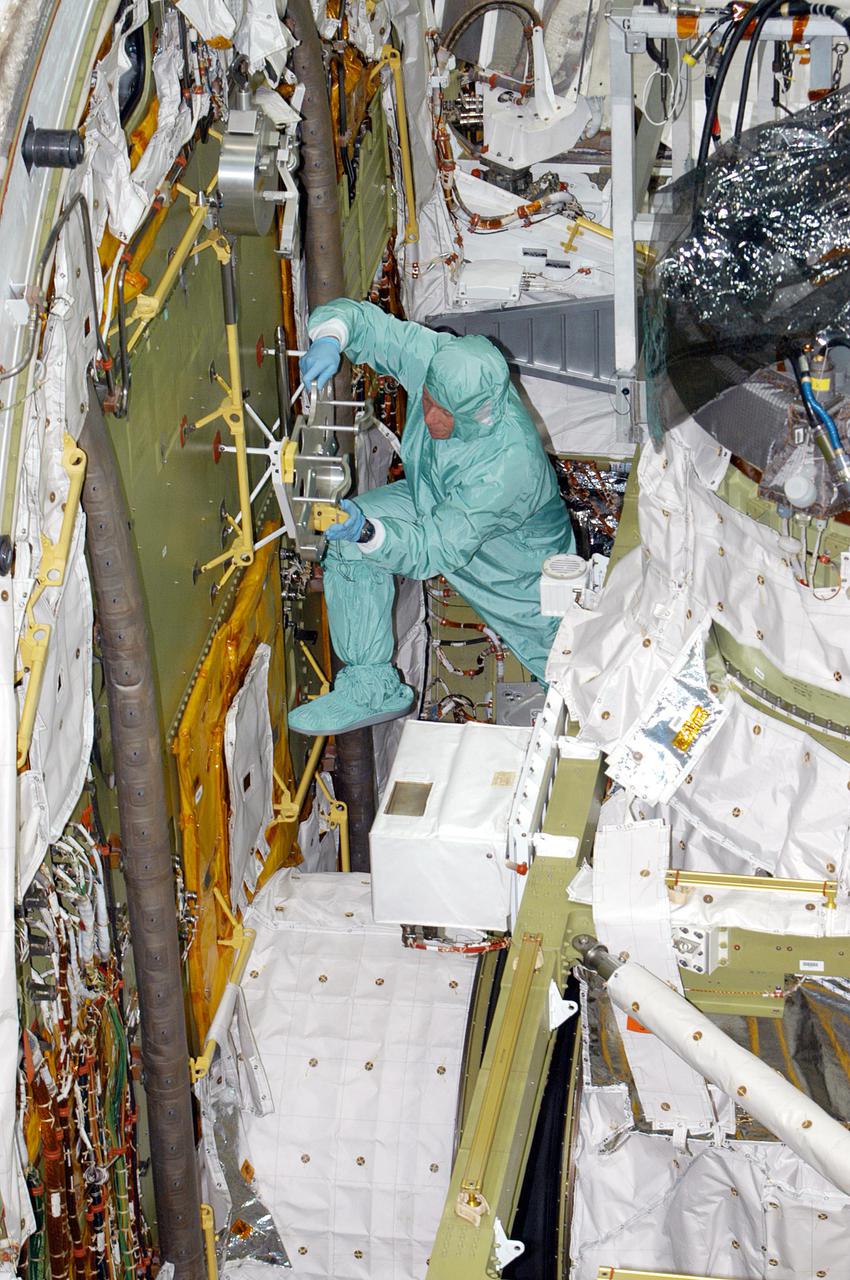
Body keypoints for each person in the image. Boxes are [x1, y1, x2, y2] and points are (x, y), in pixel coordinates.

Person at [288, 298, 574, 735]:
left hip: (515, 570)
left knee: (565, 668)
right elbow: (367, 325)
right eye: (428, 400)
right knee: (349, 548)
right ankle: (371, 688)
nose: (430, 416)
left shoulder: (508, 467)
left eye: (445, 414)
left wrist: (367, 530)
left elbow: (430, 550)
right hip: (433, 500)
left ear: (481, 415)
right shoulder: (438, 362)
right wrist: (330, 337)